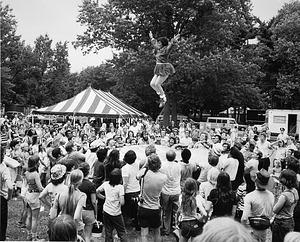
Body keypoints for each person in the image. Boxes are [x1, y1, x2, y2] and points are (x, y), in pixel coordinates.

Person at [137, 154, 167, 242]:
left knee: (144, 234)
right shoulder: (163, 177)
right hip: (155, 207)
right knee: (157, 232)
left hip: (143, 207)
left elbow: (137, 176)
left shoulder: (144, 172)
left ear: (148, 164)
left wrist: (146, 165)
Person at [50, 169, 87, 236]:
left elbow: (52, 216)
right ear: (80, 181)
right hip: (76, 228)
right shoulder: (82, 196)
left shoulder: (60, 193)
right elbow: (76, 217)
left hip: (62, 226)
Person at [241, 169, 275, 242]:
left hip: (252, 229)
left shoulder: (249, 196)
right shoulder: (271, 195)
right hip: (264, 229)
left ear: (256, 182)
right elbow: (271, 213)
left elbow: (244, 218)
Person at [149, 31, 180, 107]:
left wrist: (174, 40)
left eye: (159, 43)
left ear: (163, 44)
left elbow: (171, 46)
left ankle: (163, 99)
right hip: (158, 67)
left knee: (157, 84)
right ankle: (161, 95)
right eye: (158, 43)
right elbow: (154, 44)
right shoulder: (158, 49)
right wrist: (151, 37)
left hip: (164, 68)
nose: (158, 44)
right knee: (152, 84)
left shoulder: (166, 49)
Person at [96, 168, 127, 242]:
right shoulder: (120, 187)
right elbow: (122, 202)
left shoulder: (106, 184)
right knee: (122, 231)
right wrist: (119, 198)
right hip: (116, 213)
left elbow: (97, 191)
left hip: (106, 210)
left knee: (108, 231)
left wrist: (103, 197)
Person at [272, 169, 299, 242]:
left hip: (281, 223)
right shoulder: (295, 191)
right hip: (290, 220)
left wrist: (275, 198)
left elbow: (275, 210)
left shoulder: (284, 196)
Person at [160, 150, 182, 236]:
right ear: (175, 157)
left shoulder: (163, 165)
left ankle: (166, 229)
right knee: (177, 211)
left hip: (166, 191)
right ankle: (176, 227)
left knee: (166, 211)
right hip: (176, 191)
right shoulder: (178, 166)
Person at [24, 155, 44, 241]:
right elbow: (39, 187)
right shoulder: (35, 174)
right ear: (36, 164)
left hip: (28, 195)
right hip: (35, 196)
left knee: (29, 216)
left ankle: (28, 235)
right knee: (34, 218)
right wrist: (45, 190)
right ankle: (34, 237)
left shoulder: (26, 173)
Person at [121, 150, 140, 230]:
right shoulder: (137, 165)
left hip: (129, 191)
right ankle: (136, 224)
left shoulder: (125, 168)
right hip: (137, 189)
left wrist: (123, 193)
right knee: (136, 209)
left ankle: (127, 224)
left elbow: (125, 183)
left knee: (127, 209)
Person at [78, 162, 97, 242]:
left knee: (78, 234)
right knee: (88, 235)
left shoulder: (76, 183)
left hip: (78, 210)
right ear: (88, 171)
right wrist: (96, 213)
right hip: (89, 210)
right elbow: (93, 201)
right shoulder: (91, 185)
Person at [0, 145, 14, 241]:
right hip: (1, 198)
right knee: (1, 223)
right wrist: (9, 196)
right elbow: (10, 186)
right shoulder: (3, 168)